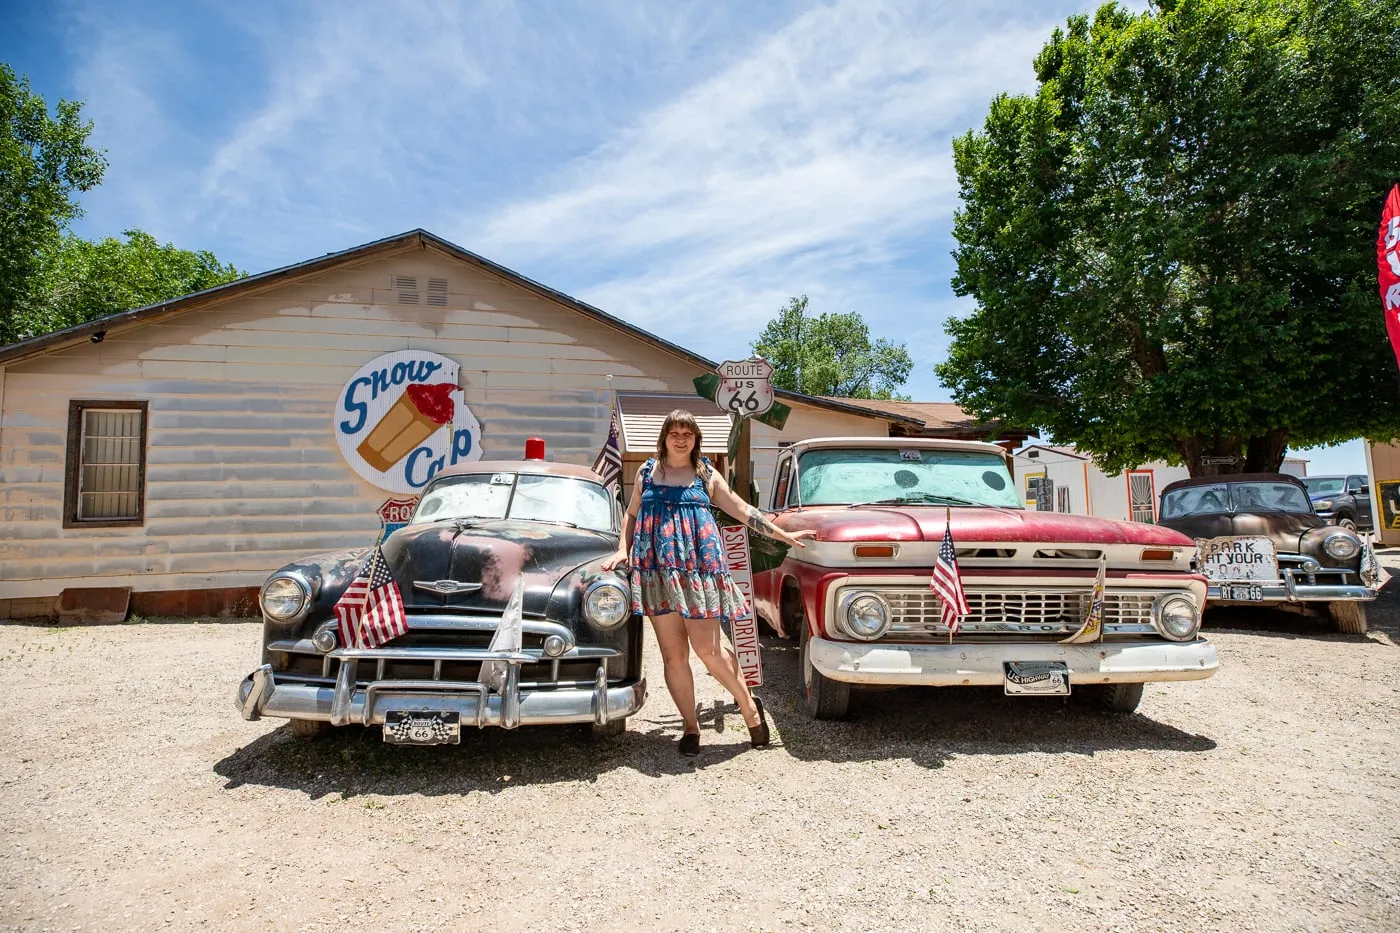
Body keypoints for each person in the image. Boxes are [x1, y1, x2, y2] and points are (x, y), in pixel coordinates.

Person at [601, 409, 815, 756]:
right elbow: (632, 514)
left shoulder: (705, 475)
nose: (681, 439)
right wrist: (623, 549)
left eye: (688, 433)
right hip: (657, 572)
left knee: (709, 651)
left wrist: (784, 535)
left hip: (699, 573)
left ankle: (748, 707)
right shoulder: (645, 472)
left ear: (696, 438)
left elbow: (743, 510)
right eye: (675, 433)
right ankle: (690, 726)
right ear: (665, 437)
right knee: (673, 656)